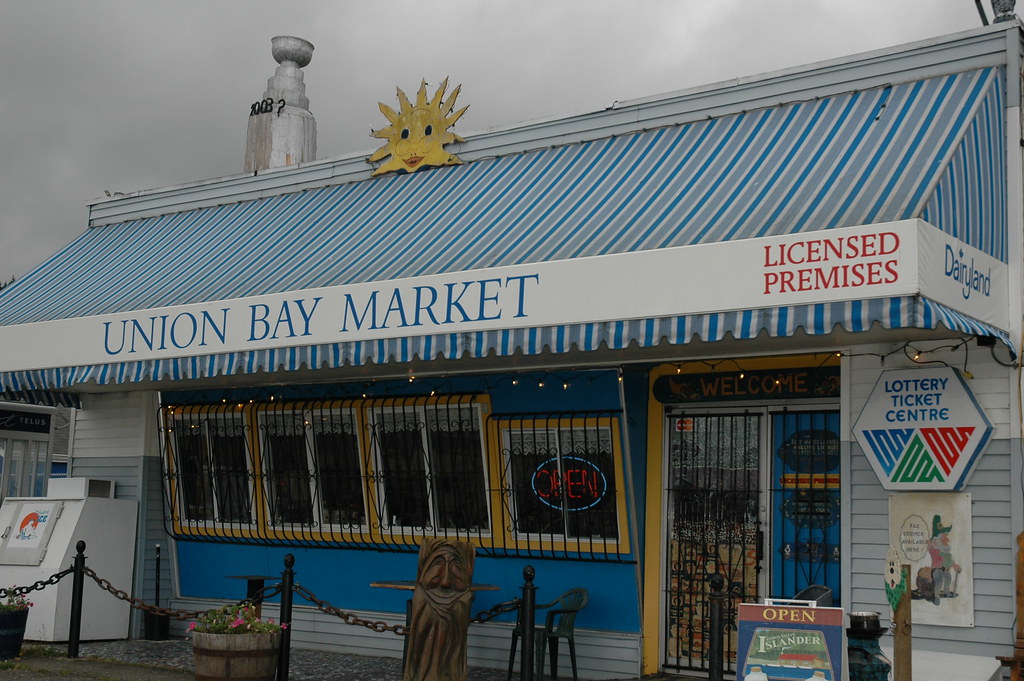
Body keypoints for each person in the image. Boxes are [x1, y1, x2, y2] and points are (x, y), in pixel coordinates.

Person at [403, 538, 476, 681]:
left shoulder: (461, 599)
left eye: (455, 565)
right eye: (438, 563)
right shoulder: (423, 597)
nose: (445, 581)